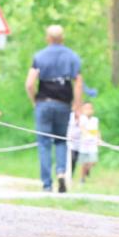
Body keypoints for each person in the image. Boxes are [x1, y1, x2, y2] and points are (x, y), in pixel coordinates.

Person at [25, 25, 82, 193]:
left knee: (44, 143)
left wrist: (35, 100)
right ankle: (61, 172)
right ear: (62, 38)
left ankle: (47, 184)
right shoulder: (72, 57)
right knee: (60, 140)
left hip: (44, 102)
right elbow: (78, 83)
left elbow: (29, 84)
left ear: (48, 38)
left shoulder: (39, 56)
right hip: (63, 104)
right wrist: (77, 106)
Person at [77, 102, 101, 183]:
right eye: (86, 108)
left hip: (93, 144)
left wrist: (99, 139)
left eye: (90, 108)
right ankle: (82, 179)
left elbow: (97, 131)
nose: (88, 110)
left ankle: (88, 169)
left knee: (94, 161)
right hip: (84, 145)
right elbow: (82, 128)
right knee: (83, 163)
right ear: (83, 110)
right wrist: (87, 135)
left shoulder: (95, 120)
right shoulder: (82, 118)